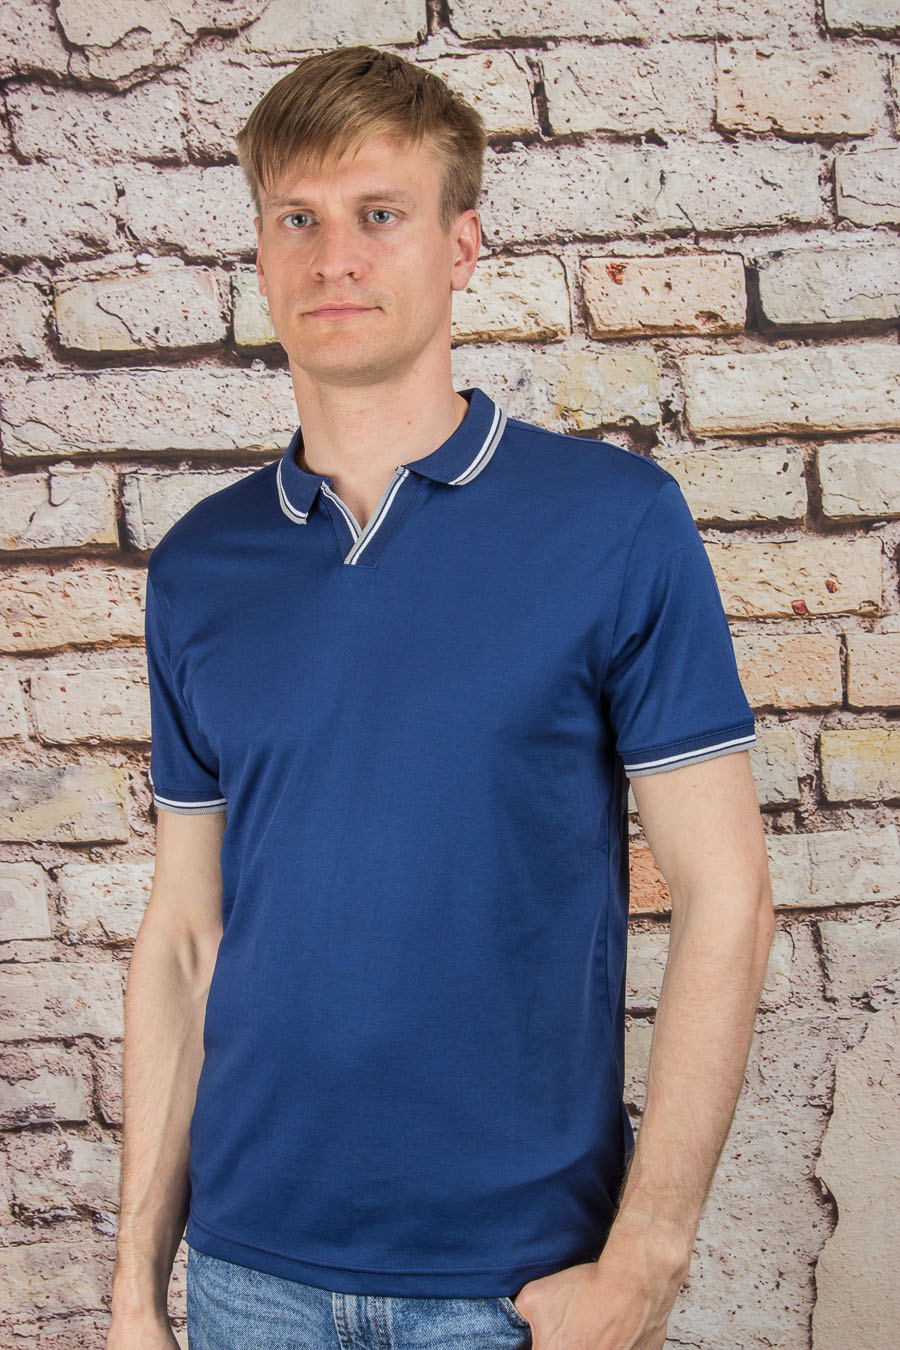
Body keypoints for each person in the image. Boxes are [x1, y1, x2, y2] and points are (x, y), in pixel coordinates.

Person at [106, 44, 775, 1350]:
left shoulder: (615, 523)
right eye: (297, 218)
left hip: (511, 1288)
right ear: (260, 253)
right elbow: (185, 937)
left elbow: (729, 895)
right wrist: (137, 1289)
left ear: (461, 245)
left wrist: (642, 1266)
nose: (333, 259)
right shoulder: (197, 567)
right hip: (246, 1279)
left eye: (379, 214)